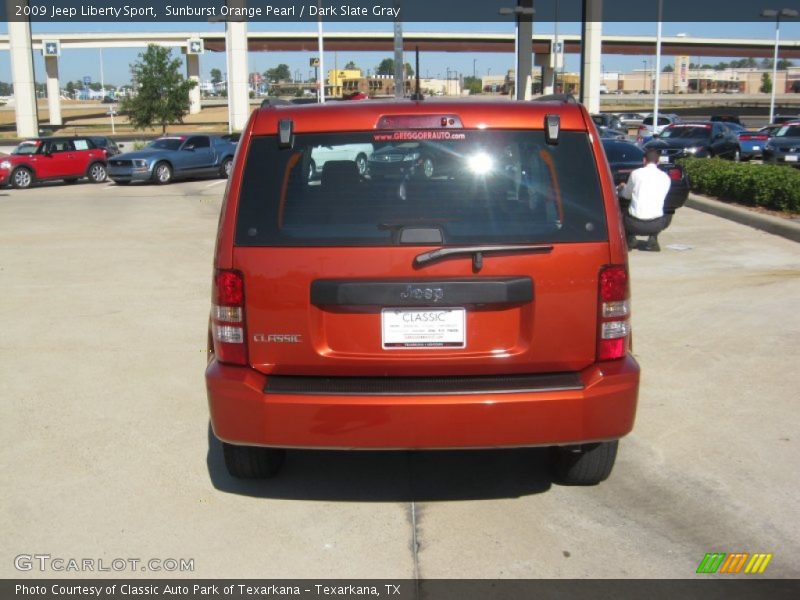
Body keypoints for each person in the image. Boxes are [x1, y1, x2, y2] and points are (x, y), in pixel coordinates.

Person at [617, 148, 671, 251]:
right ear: (658, 161)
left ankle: (630, 238)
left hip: (634, 224)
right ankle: (653, 239)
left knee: (623, 210)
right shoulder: (665, 177)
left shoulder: (636, 173)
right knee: (664, 210)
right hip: (656, 224)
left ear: (644, 160)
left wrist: (622, 188)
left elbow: (626, 195)